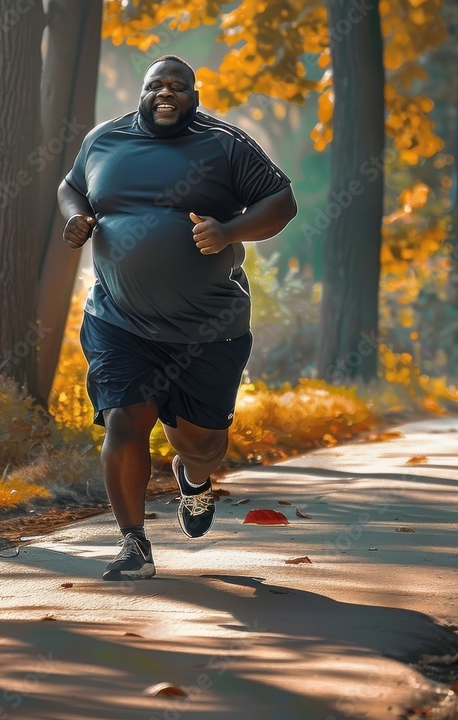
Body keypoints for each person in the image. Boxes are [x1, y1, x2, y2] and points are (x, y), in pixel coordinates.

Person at [58, 55, 297, 580]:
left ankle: (193, 477)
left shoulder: (226, 144)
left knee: (201, 442)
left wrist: (230, 231)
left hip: (208, 329)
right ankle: (133, 544)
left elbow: (281, 202)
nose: (166, 93)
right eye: (156, 85)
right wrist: (76, 217)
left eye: (178, 87)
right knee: (125, 420)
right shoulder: (104, 140)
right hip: (119, 317)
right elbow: (70, 185)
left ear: (195, 95)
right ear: (142, 92)